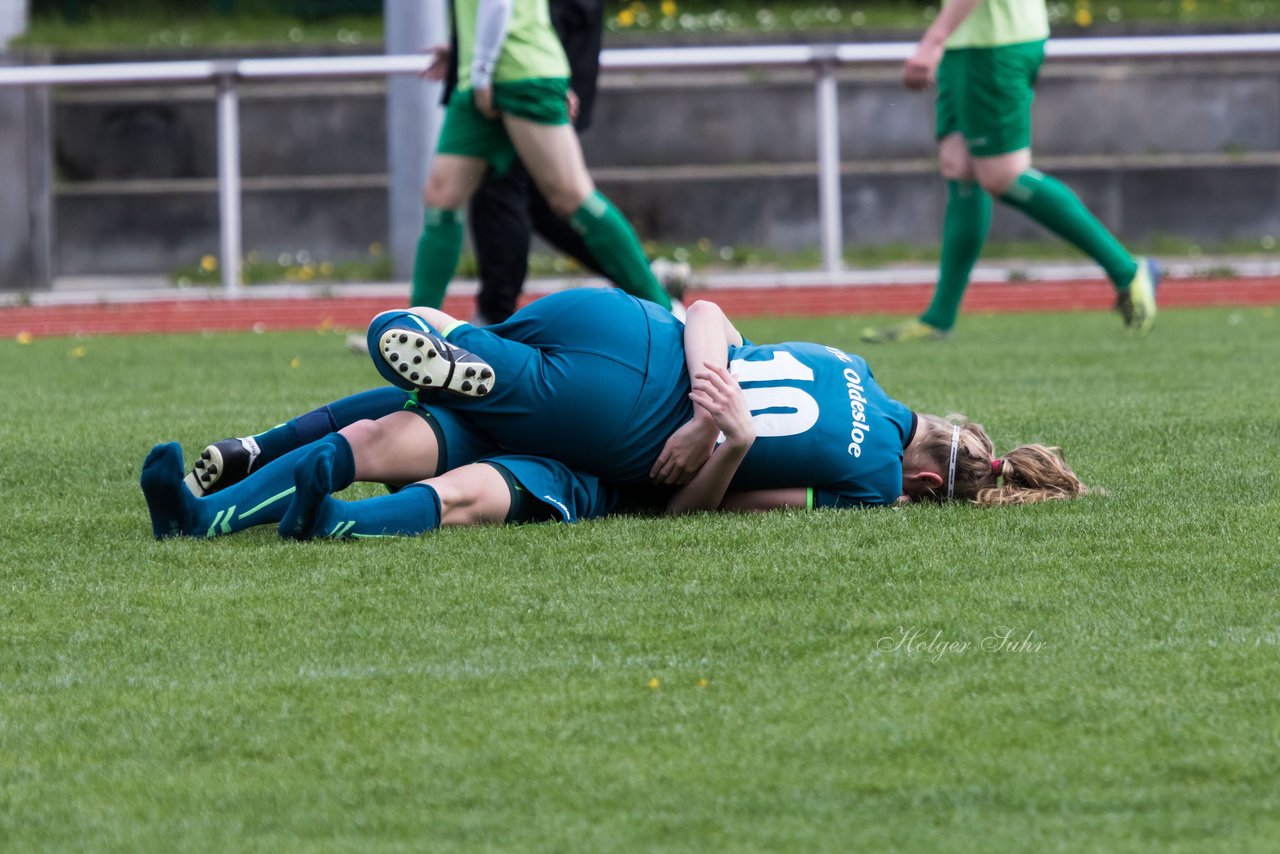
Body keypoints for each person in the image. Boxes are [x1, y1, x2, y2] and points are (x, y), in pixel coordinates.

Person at [145, 289, 1091, 541]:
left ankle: (243, 493)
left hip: (632, 326)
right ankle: (337, 500)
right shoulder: (873, 489)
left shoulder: (854, 363)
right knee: (468, 479)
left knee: (389, 432)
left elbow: (709, 313)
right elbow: (702, 511)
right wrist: (723, 438)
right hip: (617, 432)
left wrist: (711, 383)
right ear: (931, 481)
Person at [860, 0, 1159, 344]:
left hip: (995, 43)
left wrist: (932, 41)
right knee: (959, 167)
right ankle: (939, 318)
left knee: (1004, 175)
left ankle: (1128, 270)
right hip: (969, 41)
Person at [409, 0, 674, 315]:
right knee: (442, 197)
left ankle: (669, 315)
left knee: (571, 195)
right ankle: (414, 329)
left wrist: (481, 69)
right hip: (488, 73)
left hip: (515, 75)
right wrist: (468, 51)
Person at [464, 0, 610, 325]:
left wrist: (482, 70)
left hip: (527, 73)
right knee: (548, 200)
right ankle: (649, 281)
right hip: (537, 68)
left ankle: (493, 314)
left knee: (543, 194)